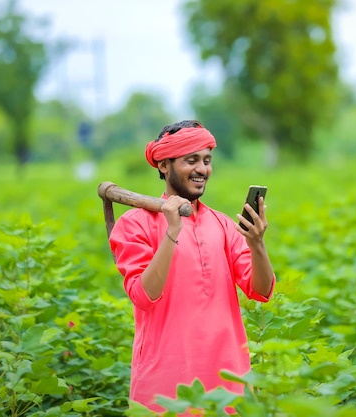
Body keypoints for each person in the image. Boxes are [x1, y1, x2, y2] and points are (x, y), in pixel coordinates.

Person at [109, 120, 276, 412]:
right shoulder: (133, 224)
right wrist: (172, 231)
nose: (202, 169)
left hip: (229, 382)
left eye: (207, 160)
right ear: (163, 165)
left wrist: (257, 243)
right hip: (165, 384)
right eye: (191, 160)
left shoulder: (223, 225)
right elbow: (143, 296)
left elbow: (261, 291)